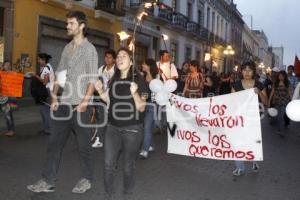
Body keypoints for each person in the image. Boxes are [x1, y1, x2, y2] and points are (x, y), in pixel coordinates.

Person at [27, 10, 98, 194]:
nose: (67, 26)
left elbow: (92, 78)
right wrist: (55, 97)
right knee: (54, 144)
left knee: (84, 146)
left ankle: (87, 179)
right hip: (64, 105)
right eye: (67, 23)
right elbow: (59, 73)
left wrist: (85, 101)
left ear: (81, 25)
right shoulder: (67, 48)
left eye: (71, 23)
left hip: (81, 106)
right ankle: (47, 180)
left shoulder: (90, 50)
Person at [94, 47, 148, 200]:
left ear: (131, 62)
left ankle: (127, 193)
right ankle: (108, 194)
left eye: (123, 56)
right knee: (108, 164)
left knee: (127, 166)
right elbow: (109, 101)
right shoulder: (113, 79)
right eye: (118, 56)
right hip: (112, 127)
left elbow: (142, 107)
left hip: (132, 129)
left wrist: (134, 92)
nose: (119, 58)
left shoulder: (139, 80)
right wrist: (100, 91)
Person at [231, 60, 268, 176]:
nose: (247, 72)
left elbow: (266, 102)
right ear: (241, 71)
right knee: (238, 142)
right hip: (240, 118)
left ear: (253, 72)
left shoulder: (259, 85)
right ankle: (240, 167)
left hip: (253, 118)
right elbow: (231, 102)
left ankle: (254, 160)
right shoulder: (236, 85)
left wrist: (259, 93)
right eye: (244, 70)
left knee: (253, 141)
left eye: (249, 70)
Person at [92, 49, 116, 148]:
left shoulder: (117, 70)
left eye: (110, 57)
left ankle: (116, 139)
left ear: (114, 59)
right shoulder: (101, 69)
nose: (107, 59)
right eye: (106, 57)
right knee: (102, 119)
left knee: (113, 120)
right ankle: (99, 139)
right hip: (102, 97)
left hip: (113, 98)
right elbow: (95, 79)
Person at [139, 58, 158, 159]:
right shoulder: (142, 76)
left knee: (146, 127)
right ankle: (150, 145)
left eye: (144, 64)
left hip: (152, 105)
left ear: (149, 66)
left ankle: (145, 150)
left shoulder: (156, 78)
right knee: (148, 127)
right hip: (143, 104)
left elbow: (156, 90)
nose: (142, 65)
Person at [34, 53, 55, 134]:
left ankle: (49, 129)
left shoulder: (46, 68)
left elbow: (45, 82)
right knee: (44, 110)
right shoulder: (47, 67)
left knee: (45, 110)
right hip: (49, 91)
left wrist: (35, 76)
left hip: (47, 91)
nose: (38, 61)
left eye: (39, 59)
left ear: (43, 59)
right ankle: (47, 128)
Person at [268, 71, 292, 136]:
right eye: (279, 75)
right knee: (278, 117)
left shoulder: (287, 83)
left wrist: (292, 101)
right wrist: (269, 100)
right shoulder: (275, 83)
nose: (280, 77)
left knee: (282, 116)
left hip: (285, 101)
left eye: (282, 75)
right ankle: (279, 129)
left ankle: (281, 131)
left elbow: (290, 92)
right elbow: (272, 92)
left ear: (284, 76)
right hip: (277, 101)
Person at [0, 61, 15, 136]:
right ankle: (11, 129)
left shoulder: (12, 74)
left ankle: (11, 130)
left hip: (7, 98)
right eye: (6, 65)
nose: (8, 66)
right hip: (2, 97)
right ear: (3, 66)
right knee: (8, 114)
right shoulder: (1, 74)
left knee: (7, 114)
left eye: (9, 65)